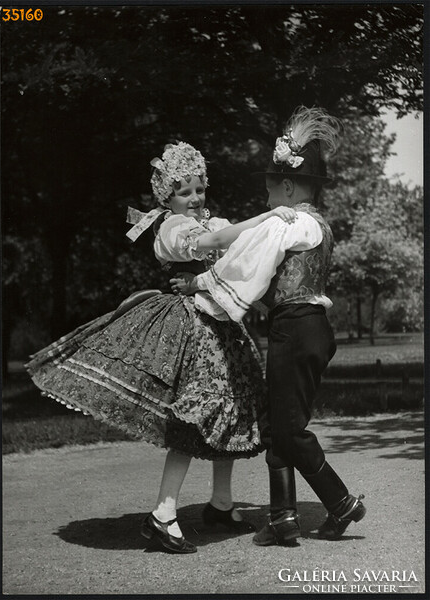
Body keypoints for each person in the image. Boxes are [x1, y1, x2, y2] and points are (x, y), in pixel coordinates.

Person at [25, 141, 296, 555]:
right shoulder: (171, 228)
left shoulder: (211, 219)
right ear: (167, 196)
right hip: (189, 326)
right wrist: (269, 216)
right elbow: (214, 243)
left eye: (198, 189)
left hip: (221, 323)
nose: (193, 198)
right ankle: (162, 515)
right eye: (184, 192)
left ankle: (221, 505)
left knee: (232, 408)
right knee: (193, 416)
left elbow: (234, 247)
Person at [171, 107, 366, 546]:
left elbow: (245, 262)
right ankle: (282, 518)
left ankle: (341, 503)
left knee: (290, 430)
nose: (265, 201)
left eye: (268, 190)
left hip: (294, 330)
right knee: (282, 422)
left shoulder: (288, 221)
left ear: (290, 187)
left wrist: (198, 281)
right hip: (311, 328)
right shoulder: (319, 224)